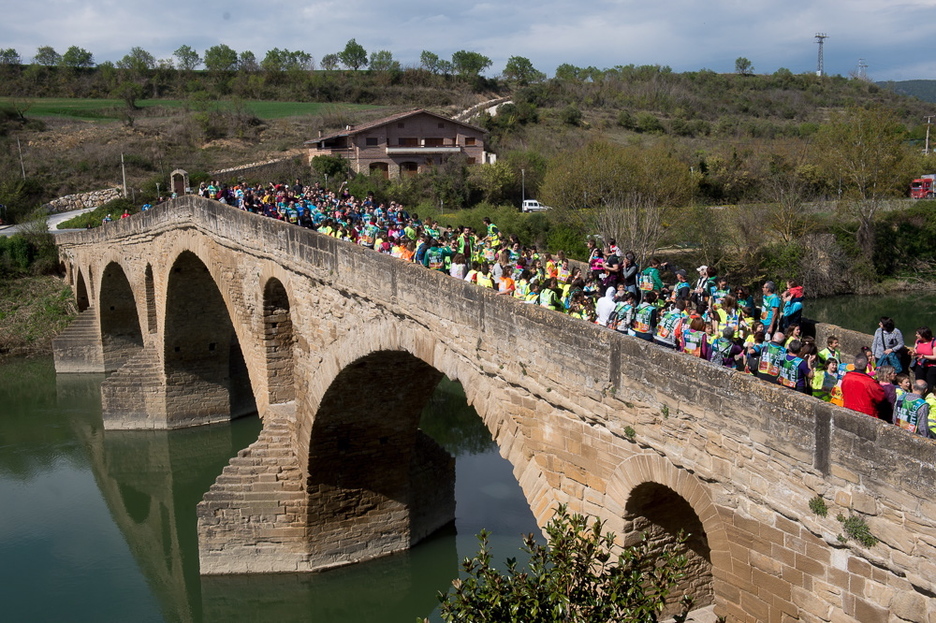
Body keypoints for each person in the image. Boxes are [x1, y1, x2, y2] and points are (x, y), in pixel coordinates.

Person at [841, 353, 888, 419]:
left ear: (854, 365)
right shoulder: (870, 382)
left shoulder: (846, 377)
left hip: (848, 411)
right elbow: (881, 398)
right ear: (866, 366)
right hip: (866, 415)